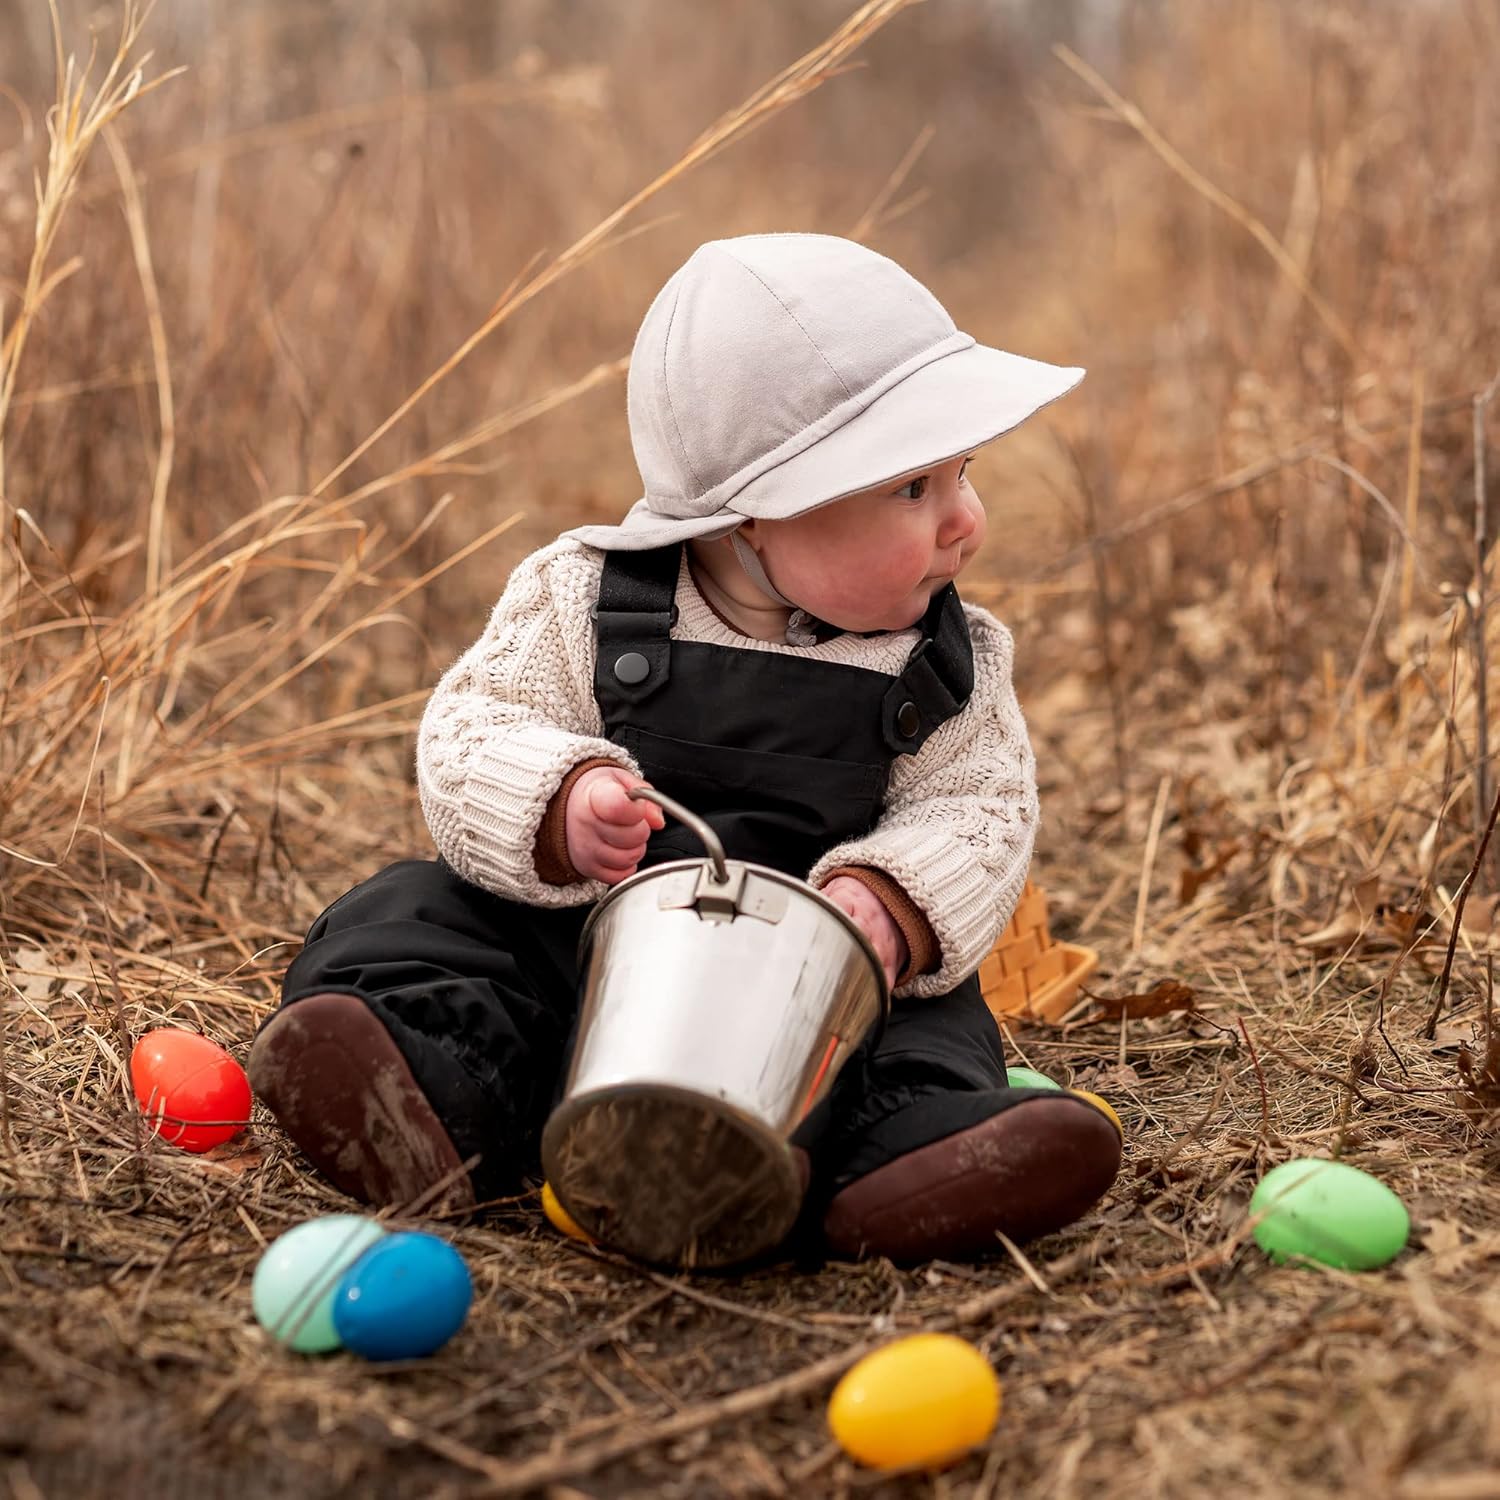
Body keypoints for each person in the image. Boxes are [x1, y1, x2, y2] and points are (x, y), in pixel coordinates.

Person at [249, 233, 1121, 1265]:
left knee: (931, 1033)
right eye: (913, 489)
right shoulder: (586, 601)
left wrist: (891, 908)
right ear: (758, 512)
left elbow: (979, 810)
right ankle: (441, 1101)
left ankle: (885, 1165)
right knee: (404, 920)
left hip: (817, 1001)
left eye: (963, 475)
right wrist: (561, 800)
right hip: (596, 963)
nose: (965, 521)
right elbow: (470, 728)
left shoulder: (946, 666)